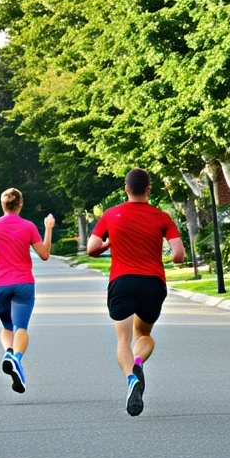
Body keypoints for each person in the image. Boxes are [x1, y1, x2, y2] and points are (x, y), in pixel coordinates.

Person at [86, 168, 185, 416]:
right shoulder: (162, 217)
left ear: (126, 189)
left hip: (122, 281)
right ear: (148, 189)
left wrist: (110, 242)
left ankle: (132, 378)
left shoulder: (111, 214)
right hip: (152, 283)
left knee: (123, 339)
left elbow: (92, 248)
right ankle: (138, 362)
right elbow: (178, 255)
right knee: (145, 335)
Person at [0, 188, 54, 393]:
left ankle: (9, 353)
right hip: (23, 284)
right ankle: (16, 359)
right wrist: (48, 228)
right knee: (21, 328)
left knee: (7, 327)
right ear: (20, 204)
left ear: (2, 204)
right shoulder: (28, 226)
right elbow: (44, 254)